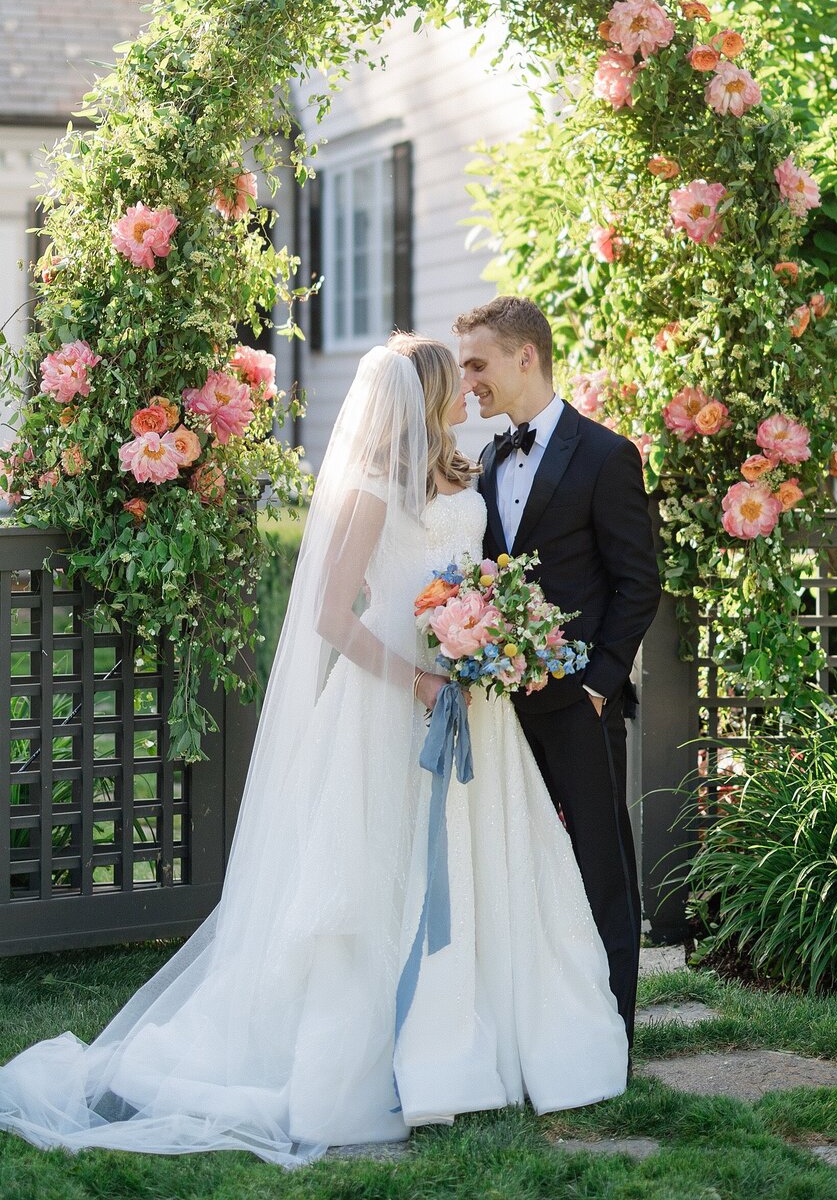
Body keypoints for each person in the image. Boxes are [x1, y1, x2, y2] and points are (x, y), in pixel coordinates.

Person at [0, 334, 628, 1167]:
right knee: (379, 871)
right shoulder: (372, 487)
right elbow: (337, 617)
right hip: (389, 700)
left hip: (470, 694)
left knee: (482, 863)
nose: (459, 392)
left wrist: (489, 630)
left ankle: (489, 1040)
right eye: (450, 380)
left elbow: (474, 564)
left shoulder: (455, 468)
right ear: (422, 393)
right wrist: (417, 680)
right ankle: (390, 1048)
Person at [455, 296, 661, 1054]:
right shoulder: (482, 462)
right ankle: (535, 1025)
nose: (467, 379)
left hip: (582, 707)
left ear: (524, 358)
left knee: (601, 870)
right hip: (501, 708)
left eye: (478, 363)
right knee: (519, 864)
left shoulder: (607, 456)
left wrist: (600, 686)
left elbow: (640, 582)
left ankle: (612, 1035)